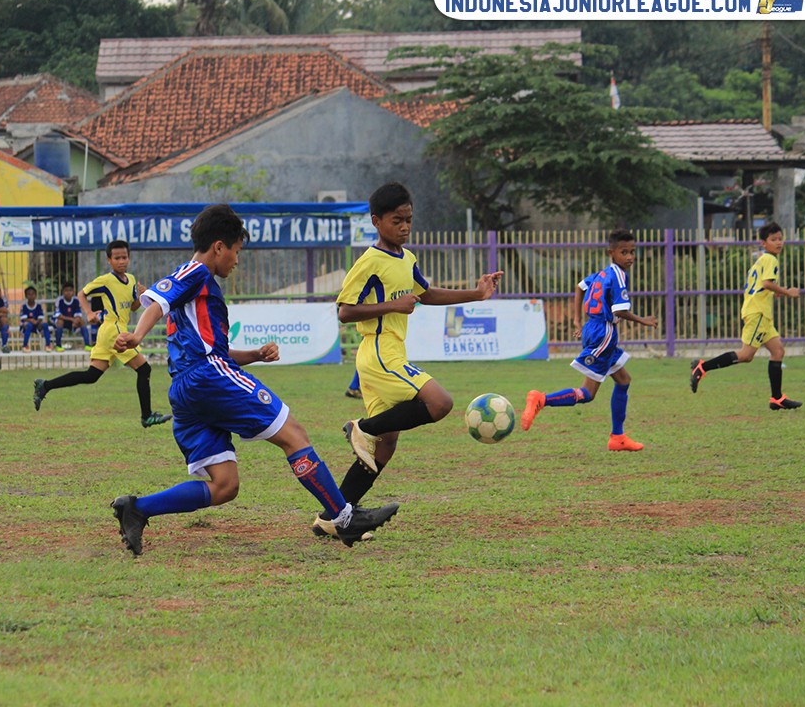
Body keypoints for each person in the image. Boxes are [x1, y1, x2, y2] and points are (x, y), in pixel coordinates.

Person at [108, 204, 399, 556]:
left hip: (187, 388)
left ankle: (137, 508)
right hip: (207, 377)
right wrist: (138, 335)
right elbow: (155, 300)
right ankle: (344, 518)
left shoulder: (200, 290)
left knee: (225, 485)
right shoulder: (196, 272)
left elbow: (215, 348)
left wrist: (256, 356)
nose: (236, 260)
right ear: (219, 246)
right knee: (294, 434)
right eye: (236, 251)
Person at [321, 182, 503, 539]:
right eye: (396, 220)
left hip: (392, 353)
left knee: (386, 445)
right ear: (376, 221)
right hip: (378, 352)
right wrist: (392, 305)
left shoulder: (407, 259)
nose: (404, 227)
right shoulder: (370, 261)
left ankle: (335, 518)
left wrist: (477, 294)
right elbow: (344, 311)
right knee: (440, 403)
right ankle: (362, 427)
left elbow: (426, 293)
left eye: (408, 220)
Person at [521, 228, 658, 449]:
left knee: (623, 381)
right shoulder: (619, 276)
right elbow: (621, 310)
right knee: (586, 394)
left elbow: (579, 287)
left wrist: (577, 321)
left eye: (633, 251)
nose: (630, 257)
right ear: (611, 253)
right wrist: (644, 321)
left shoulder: (602, 274)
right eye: (624, 252)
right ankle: (541, 399)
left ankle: (618, 437)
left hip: (594, 329)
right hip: (603, 334)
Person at [33, 240, 171, 427]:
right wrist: (89, 313)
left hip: (113, 330)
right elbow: (82, 294)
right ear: (109, 260)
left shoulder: (130, 279)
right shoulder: (105, 280)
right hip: (113, 330)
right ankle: (146, 416)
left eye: (124, 257)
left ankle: (45, 385)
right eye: (117, 258)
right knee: (144, 369)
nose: (122, 261)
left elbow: (132, 308)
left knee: (91, 376)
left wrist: (141, 295)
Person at [690, 222, 801, 409]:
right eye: (774, 240)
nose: (779, 243)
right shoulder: (770, 260)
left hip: (761, 314)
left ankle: (777, 399)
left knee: (778, 351)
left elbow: (760, 286)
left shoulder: (761, 260)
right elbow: (766, 283)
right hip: (757, 313)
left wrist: (776, 292)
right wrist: (787, 291)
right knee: (746, 355)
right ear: (763, 243)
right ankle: (701, 367)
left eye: (780, 239)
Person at [52, 282, 92, 352]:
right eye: (66, 290)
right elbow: (58, 315)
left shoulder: (76, 300)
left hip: (72, 322)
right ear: (63, 292)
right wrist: (72, 319)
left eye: (70, 290)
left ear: (73, 292)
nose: (68, 292)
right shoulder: (60, 300)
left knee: (82, 321)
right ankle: (58, 346)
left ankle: (87, 345)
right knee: (60, 321)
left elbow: (78, 313)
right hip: (62, 321)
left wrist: (76, 320)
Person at [19, 286, 52, 352]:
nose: (31, 296)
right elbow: (23, 318)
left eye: (33, 294)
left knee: (45, 324)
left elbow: (41, 317)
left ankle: (48, 345)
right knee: (29, 325)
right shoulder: (24, 306)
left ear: (36, 295)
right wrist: (31, 320)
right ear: (26, 296)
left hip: (37, 324)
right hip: (27, 325)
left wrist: (37, 321)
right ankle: (25, 346)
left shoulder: (38, 306)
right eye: (29, 294)